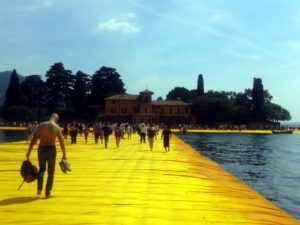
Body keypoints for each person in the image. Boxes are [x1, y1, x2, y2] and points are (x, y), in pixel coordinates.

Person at [26, 113, 67, 198]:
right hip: (51, 149)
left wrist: (29, 150)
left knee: (42, 169)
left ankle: (39, 189)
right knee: (51, 172)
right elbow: (61, 142)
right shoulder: (57, 127)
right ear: (56, 119)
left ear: (50, 117)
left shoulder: (41, 125)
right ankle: (47, 193)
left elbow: (34, 139)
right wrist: (64, 154)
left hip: (41, 149)